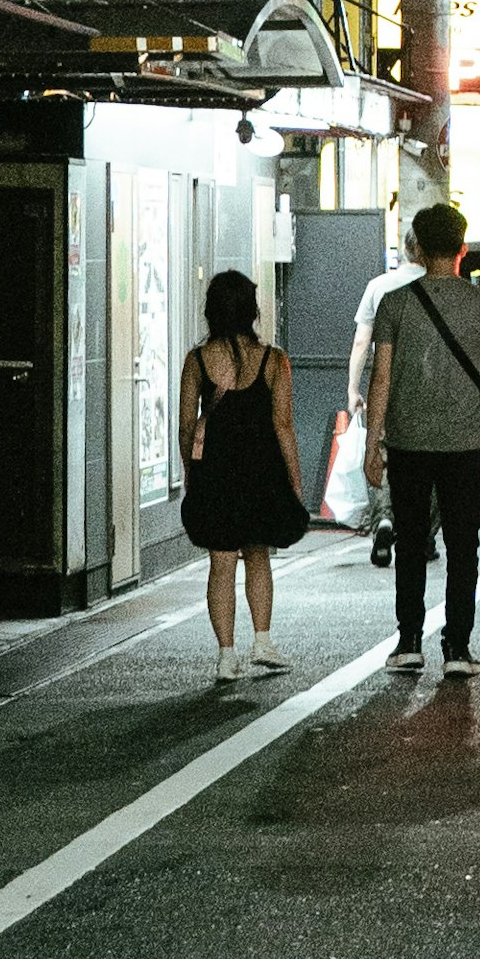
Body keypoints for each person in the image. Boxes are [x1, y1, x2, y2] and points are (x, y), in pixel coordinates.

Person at [363, 199, 480, 676]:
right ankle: (457, 648)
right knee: (462, 546)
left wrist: (374, 445)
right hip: (462, 448)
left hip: (408, 445)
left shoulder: (394, 304)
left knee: (411, 544)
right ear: (462, 248)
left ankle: (409, 641)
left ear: (416, 248)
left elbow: (381, 378)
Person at [178, 269, 309, 685]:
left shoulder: (197, 361)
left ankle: (225, 656)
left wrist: (191, 471)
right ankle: (264, 642)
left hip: (215, 473)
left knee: (220, 564)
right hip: (261, 471)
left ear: (211, 310)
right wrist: (294, 479)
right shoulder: (274, 359)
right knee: (258, 557)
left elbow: (185, 426)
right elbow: (283, 426)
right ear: (252, 310)